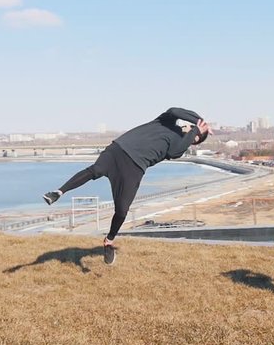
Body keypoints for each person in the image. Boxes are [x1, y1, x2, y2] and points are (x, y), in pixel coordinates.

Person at [42, 107, 212, 264]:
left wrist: (196, 132)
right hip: (118, 149)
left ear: (194, 139)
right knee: (94, 170)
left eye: (195, 134)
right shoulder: (165, 121)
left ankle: (109, 241)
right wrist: (200, 120)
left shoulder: (179, 146)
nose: (190, 129)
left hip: (134, 167)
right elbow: (174, 110)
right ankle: (58, 192)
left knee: (122, 209)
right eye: (192, 127)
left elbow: (175, 151)